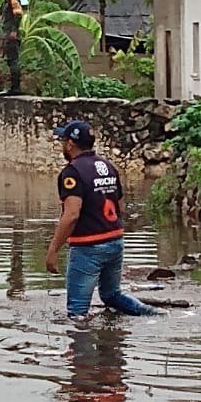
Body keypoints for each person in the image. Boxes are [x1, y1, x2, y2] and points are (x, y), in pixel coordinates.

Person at [45, 120, 168, 324]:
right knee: (112, 296)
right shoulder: (107, 166)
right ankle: (156, 314)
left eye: (62, 140)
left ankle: (81, 352)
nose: (61, 145)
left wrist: (53, 250)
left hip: (88, 247)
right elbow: (120, 208)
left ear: (70, 144)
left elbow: (72, 214)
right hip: (115, 241)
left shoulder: (72, 172)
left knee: (77, 312)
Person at [0, 0, 23, 96]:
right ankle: (13, 87)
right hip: (7, 35)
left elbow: (18, 16)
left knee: (14, 61)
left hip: (12, 36)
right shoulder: (5, 2)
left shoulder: (13, 0)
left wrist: (14, 31)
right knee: (10, 61)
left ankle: (16, 88)